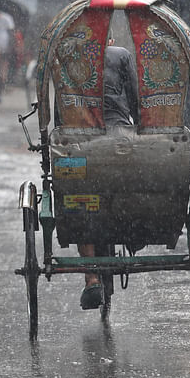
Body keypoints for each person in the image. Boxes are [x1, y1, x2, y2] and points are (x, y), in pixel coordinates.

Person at [78, 38, 140, 310]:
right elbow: (135, 99)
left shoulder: (71, 58)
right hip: (119, 139)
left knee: (78, 198)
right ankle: (133, 230)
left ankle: (91, 278)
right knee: (131, 184)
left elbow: (60, 111)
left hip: (83, 139)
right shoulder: (120, 55)